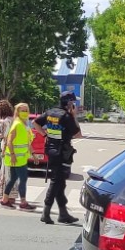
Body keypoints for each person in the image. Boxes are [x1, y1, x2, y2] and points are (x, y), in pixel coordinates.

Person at [33, 91, 82, 224]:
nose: (74, 105)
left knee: (60, 182)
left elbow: (35, 123)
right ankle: (46, 212)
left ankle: (63, 214)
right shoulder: (67, 116)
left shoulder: (50, 112)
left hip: (51, 150)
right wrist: (74, 116)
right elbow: (78, 135)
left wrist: (44, 135)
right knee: (56, 182)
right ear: (69, 103)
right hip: (61, 153)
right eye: (73, 102)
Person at [0, 103, 36, 211]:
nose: (25, 112)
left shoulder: (24, 124)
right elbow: (9, 141)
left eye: (26, 110)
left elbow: (27, 142)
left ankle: (5, 200)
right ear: (17, 112)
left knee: (13, 179)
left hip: (20, 157)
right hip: (16, 158)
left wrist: (33, 154)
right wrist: (12, 155)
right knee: (23, 179)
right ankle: (23, 203)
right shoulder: (17, 124)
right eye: (22, 110)